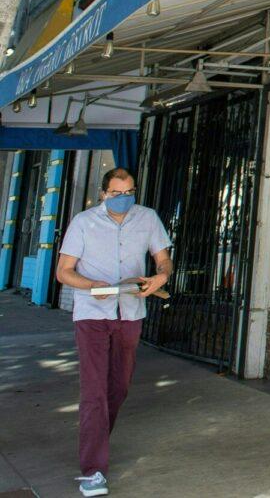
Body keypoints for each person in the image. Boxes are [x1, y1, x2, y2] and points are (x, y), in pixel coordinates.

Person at [55, 167, 172, 497]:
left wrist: (160, 277)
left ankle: (97, 439)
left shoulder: (147, 218)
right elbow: (64, 272)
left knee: (118, 387)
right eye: (117, 194)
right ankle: (94, 469)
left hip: (130, 312)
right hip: (92, 313)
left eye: (129, 192)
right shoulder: (83, 222)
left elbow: (163, 259)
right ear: (103, 193)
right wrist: (94, 286)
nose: (124, 199)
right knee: (94, 390)